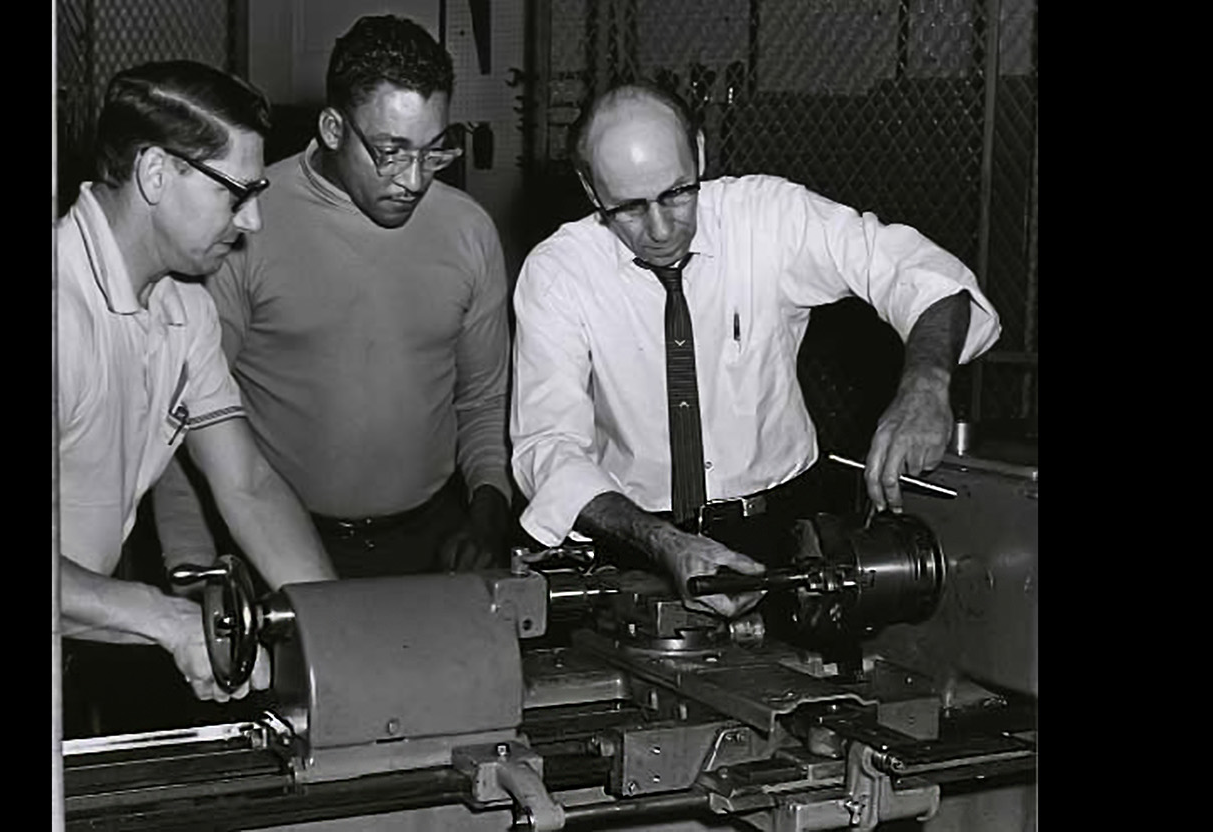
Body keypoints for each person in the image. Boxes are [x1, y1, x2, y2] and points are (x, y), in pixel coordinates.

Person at [510, 83, 1001, 619]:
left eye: (677, 192)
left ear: (698, 153)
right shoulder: (558, 273)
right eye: (629, 207)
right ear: (589, 188)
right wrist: (662, 543)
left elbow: (922, 274)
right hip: (638, 542)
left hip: (785, 533)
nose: (659, 229)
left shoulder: (768, 218)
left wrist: (925, 385)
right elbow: (549, 446)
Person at [152, 15, 512, 580]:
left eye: (434, 151)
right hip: (274, 547)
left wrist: (488, 515)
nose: (414, 180)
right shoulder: (240, 226)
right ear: (333, 127)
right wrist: (193, 570)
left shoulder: (469, 231)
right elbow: (184, 423)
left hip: (431, 547)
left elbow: (483, 403)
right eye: (391, 151)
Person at [56, 60, 337, 723]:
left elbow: (247, 485)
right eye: (235, 193)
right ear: (156, 173)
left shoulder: (185, 307)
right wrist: (165, 618)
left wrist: (333, 635)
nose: (254, 221)